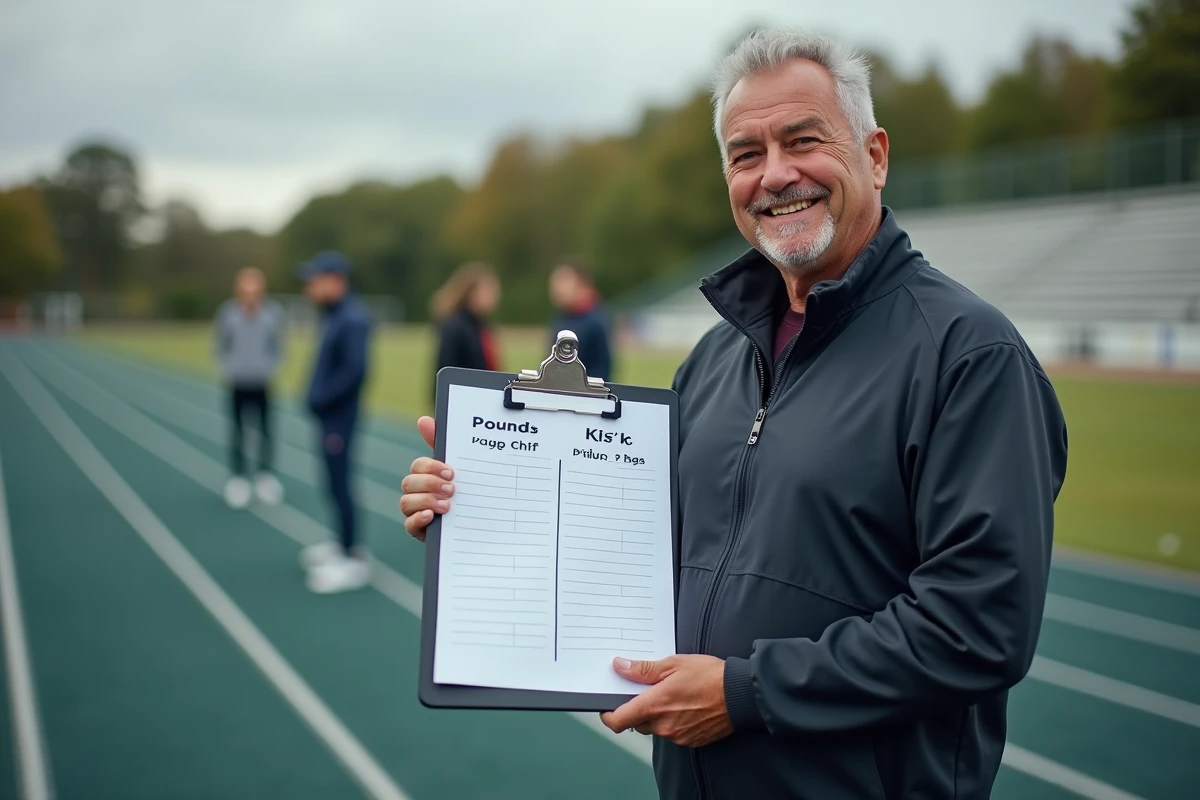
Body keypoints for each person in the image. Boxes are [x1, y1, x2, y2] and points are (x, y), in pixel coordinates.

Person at [399, 28, 1068, 800]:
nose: (775, 175)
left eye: (803, 141)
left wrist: (747, 692)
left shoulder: (969, 356)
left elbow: (978, 626)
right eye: (746, 154)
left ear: (875, 155)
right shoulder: (713, 361)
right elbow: (635, 554)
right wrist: (481, 504)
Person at [296, 250, 373, 594]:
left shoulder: (352, 318)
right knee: (331, 481)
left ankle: (352, 557)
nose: (309, 288)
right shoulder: (336, 315)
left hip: (340, 418)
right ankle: (339, 542)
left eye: (315, 280)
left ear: (335, 280)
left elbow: (355, 371)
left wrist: (321, 398)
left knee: (341, 483)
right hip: (330, 417)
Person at [213, 266, 285, 510]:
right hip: (237, 383)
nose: (251, 294)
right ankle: (239, 479)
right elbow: (221, 345)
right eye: (246, 289)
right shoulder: (228, 314)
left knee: (266, 432)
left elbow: (278, 346)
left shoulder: (273, 314)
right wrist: (230, 368)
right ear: (239, 291)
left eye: (255, 290)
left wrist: (268, 368)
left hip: (263, 384)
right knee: (238, 431)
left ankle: (265, 477)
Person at [429, 261, 501, 400]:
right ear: (471, 293)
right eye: (488, 291)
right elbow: (445, 369)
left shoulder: (482, 325)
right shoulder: (455, 326)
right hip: (463, 401)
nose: (494, 297)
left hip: (483, 397)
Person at [548, 258, 613, 381]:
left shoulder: (596, 322)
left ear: (581, 284)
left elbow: (601, 374)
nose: (555, 289)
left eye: (562, 281)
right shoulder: (562, 316)